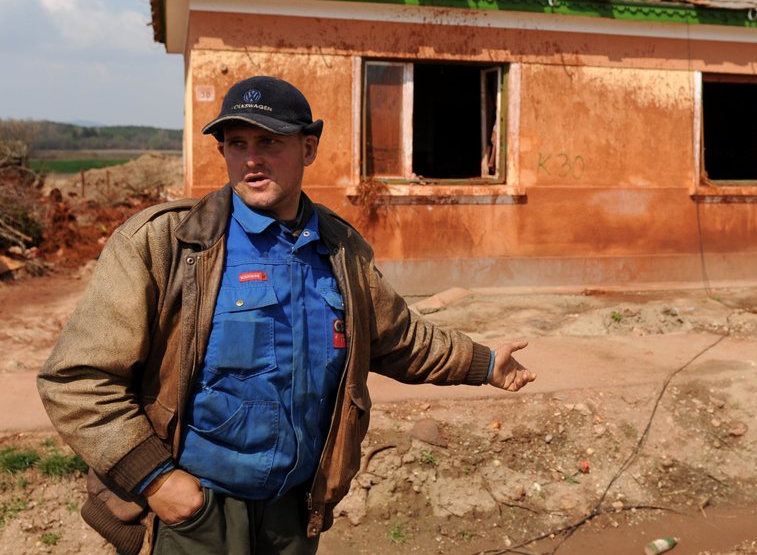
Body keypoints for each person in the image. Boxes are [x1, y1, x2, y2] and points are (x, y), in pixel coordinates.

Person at [37, 75, 536, 555]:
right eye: (237, 144)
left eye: (270, 142)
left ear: (308, 148)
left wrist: (485, 363)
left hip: (294, 513)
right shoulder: (168, 243)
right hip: (197, 514)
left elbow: (399, 339)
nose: (251, 160)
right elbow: (76, 379)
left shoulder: (340, 251)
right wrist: (156, 480)